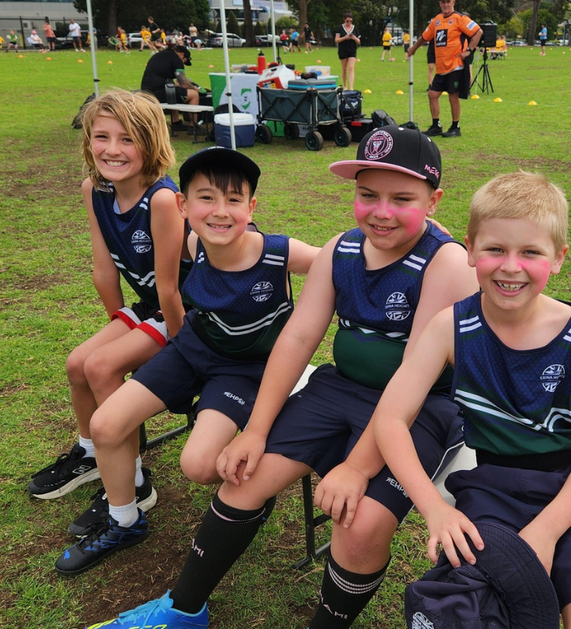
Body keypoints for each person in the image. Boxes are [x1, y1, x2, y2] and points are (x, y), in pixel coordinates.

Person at [83, 125, 477, 629]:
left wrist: (356, 467)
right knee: (243, 478)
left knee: (358, 526)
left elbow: (411, 381)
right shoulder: (342, 249)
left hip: (418, 411)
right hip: (339, 389)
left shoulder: (445, 263)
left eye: (402, 198)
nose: (381, 211)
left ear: (434, 199)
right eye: (367, 195)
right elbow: (295, 340)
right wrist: (256, 430)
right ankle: (183, 610)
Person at [373, 170, 571, 628]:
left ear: (558, 259)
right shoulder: (450, 327)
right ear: (470, 250)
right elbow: (390, 420)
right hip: (495, 488)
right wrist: (435, 508)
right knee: (467, 614)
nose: (510, 266)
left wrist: (543, 533)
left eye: (530, 253)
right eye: (496, 249)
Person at [54, 146, 320, 576]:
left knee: (197, 465)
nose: (220, 211)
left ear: (251, 207)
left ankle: (258, 484)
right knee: (105, 424)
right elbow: (159, 282)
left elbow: (344, 259)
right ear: (184, 205)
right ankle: (125, 519)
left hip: (244, 370)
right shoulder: (190, 241)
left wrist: (413, 237)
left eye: (234, 200)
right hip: (191, 350)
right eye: (206, 197)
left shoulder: (278, 252)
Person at [27, 90, 190, 536]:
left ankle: (135, 483)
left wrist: (179, 349)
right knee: (77, 364)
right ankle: (91, 454)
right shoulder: (93, 191)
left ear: (152, 142)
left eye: (128, 139)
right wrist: (121, 323)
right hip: (146, 307)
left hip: (184, 314)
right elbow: (104, 271)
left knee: (101, 365)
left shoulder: (162, 199)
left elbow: (172, 287)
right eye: (102, 136)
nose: (112, 150)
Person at [407, 0, 482, 138]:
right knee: (432, 94)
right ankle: (436, 126)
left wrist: (468, 50)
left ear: (453, 2)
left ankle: (455, 126)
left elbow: (478, 32)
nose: (446, 5)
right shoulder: (437, 20)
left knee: (453, 96)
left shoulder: (460, 19)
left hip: (455, 66)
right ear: (439, 4)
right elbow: (424, 37)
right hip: (441, 68)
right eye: (443, 2)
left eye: (448, 2)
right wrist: (413, 48)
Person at [141, 45, 199, 131]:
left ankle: (176, 122)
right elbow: (183, 84)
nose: (182, 64)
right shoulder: (176, 59)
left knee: (174, 91)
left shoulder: (159, 55)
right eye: (184, 61)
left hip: (146, 91)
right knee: (194, 95)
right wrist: (194, 88)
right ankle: (194, 127)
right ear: (182, 55)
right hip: (157, 93)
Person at [335, 11, 360, 91]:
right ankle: (345, 86)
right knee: (344, 69)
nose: (349, 23)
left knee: (351, 68)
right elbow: (336, 40)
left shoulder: (354, 28)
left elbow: (359, 41)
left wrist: (354, 38)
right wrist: (345, 37)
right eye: (347, 21)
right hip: (343, 50)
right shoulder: (340, 28)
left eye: (351, 21)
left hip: (352, 50)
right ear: (344, 20)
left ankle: (351, 87)